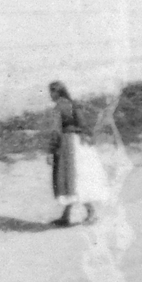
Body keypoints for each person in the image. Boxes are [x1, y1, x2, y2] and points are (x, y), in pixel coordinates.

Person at [48, 81, 110, 226]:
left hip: (67, 144)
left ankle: (90, 212)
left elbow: (56, 131)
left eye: (51, 92)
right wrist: (87, 137)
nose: (50, 95)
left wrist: (51, 150)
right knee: (79, 178)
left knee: (71, 180)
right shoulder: (73, 104)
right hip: (79, 143)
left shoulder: (58, 107)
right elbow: (83, 124)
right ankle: (66, 216)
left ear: (56, 92)